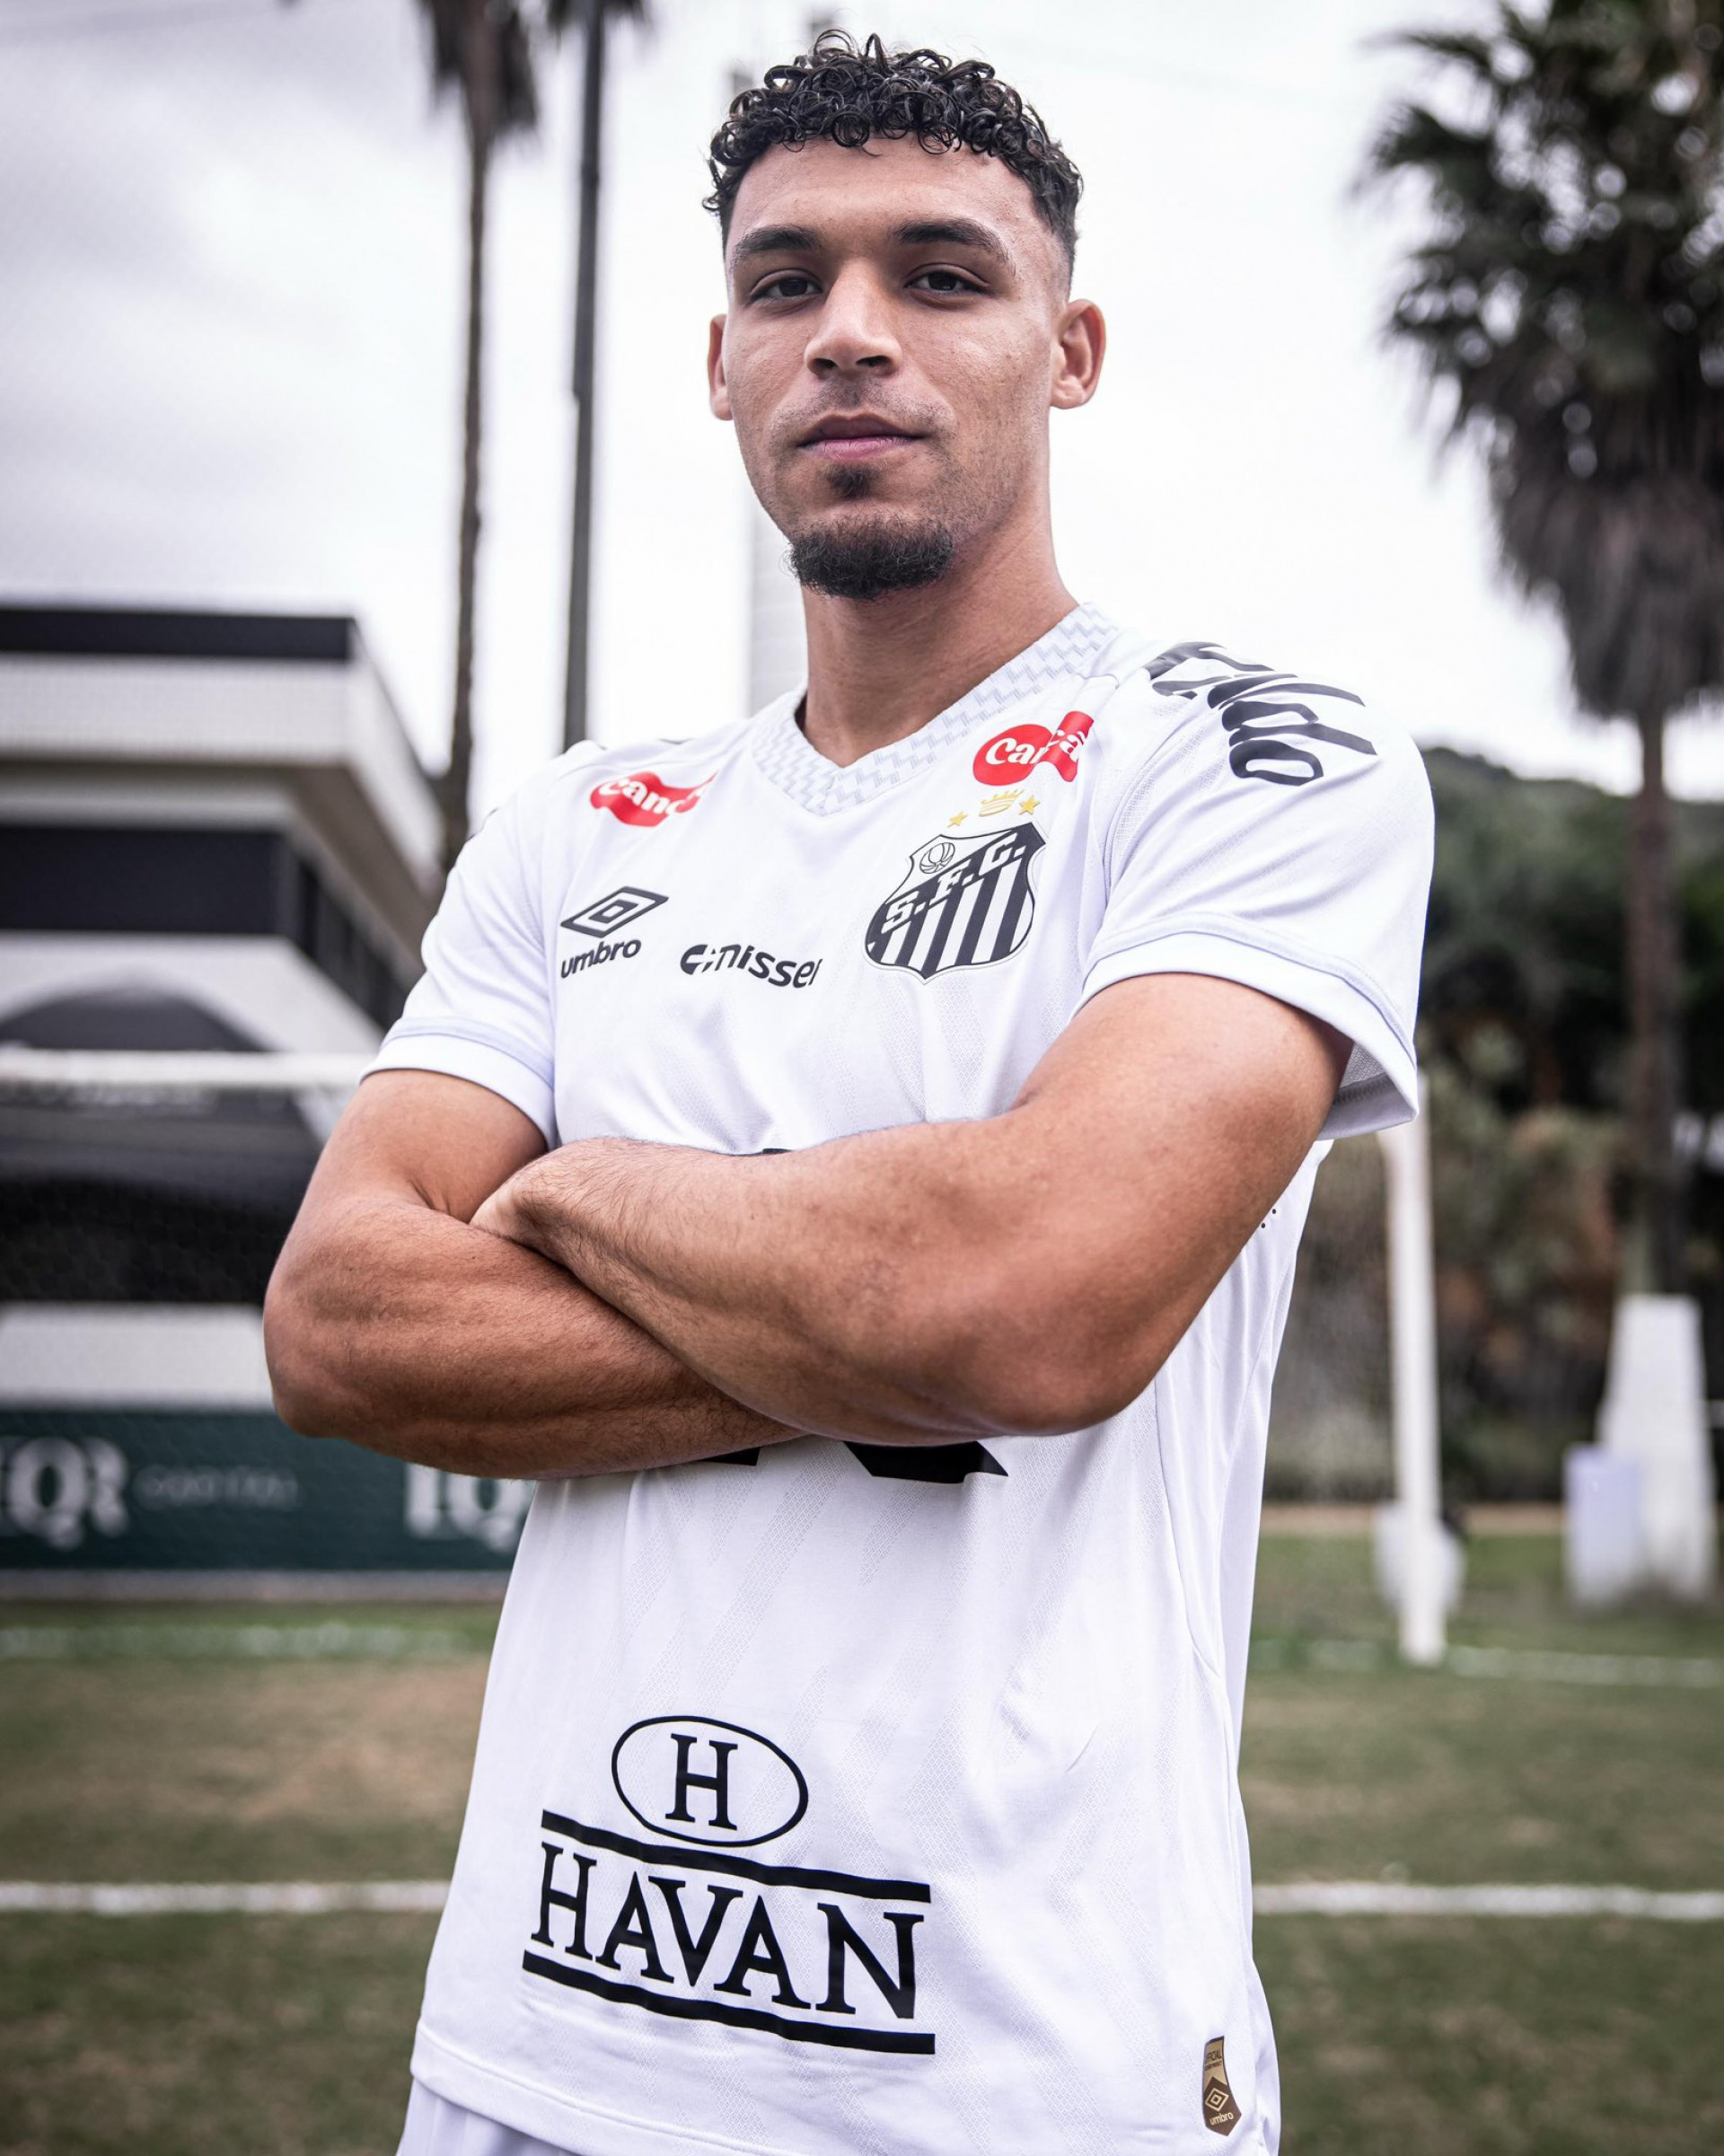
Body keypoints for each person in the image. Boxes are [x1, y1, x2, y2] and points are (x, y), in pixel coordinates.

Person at [265, 31, 1432, 2156]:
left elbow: (1036, 1309)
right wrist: (881, 1302)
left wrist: (574, 1192)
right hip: (535, 2055)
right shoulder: (580, 829)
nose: (854, 334)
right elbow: (339, 1320)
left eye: (943, 275)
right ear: (722, 365)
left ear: (1071, 349)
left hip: (1026, 2074)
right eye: (787, 281)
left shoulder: (1248, 761)